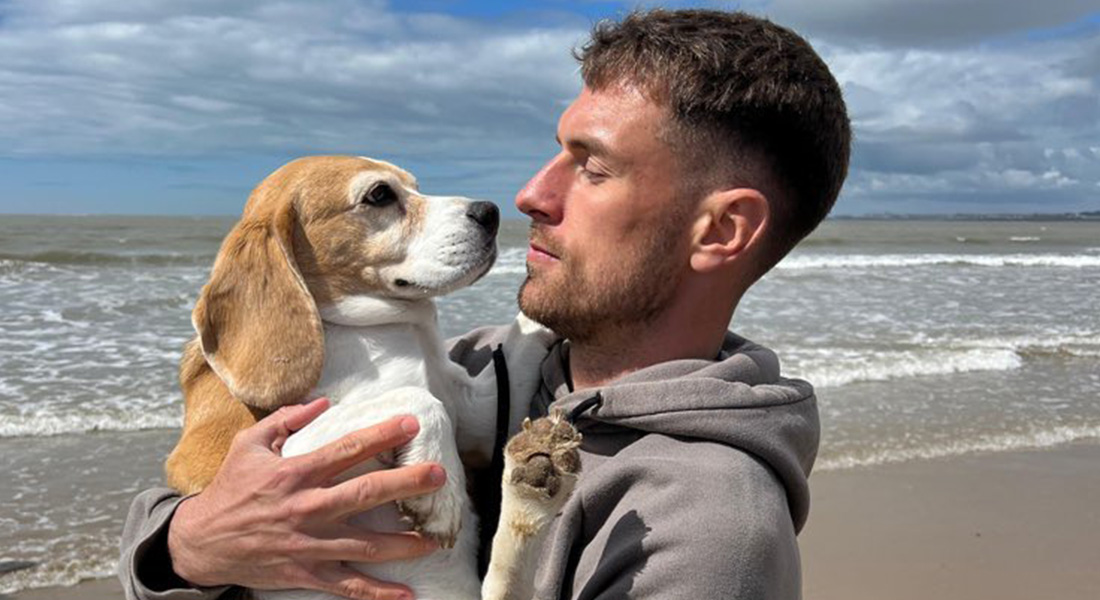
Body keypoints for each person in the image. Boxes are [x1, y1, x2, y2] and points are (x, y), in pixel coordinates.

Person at [119, 8, 849, 600]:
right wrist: (190, 546)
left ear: (721, 230)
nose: (530, 195)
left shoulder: (708, 529)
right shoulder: (480, 360)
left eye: (592, 168)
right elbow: (192, 484)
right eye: (555, 152)